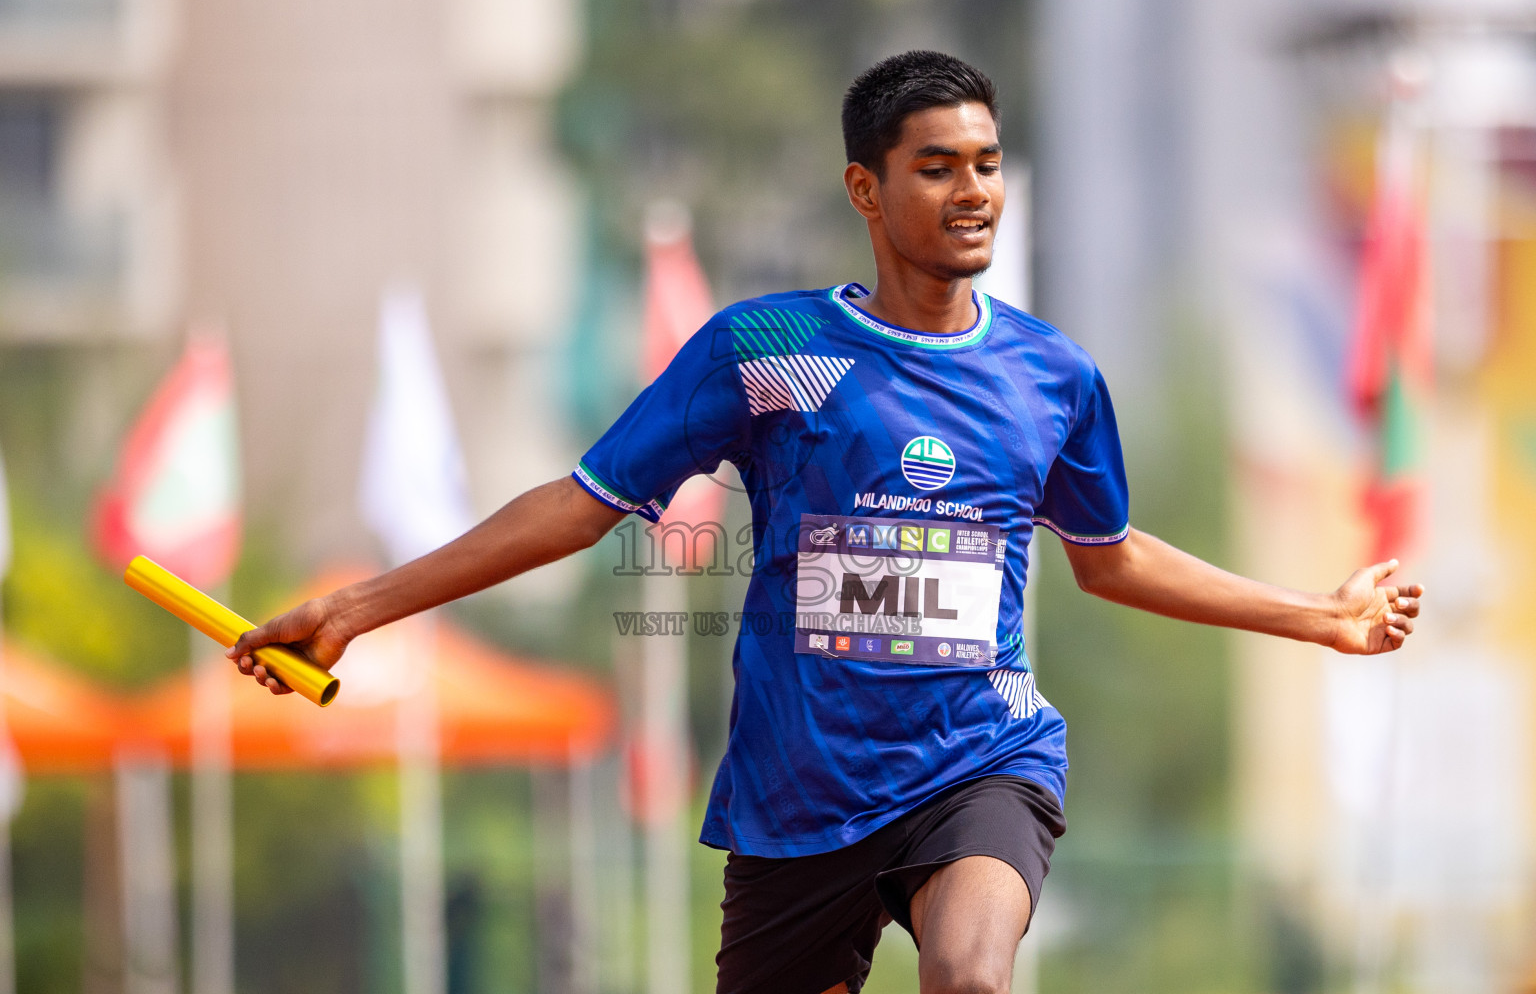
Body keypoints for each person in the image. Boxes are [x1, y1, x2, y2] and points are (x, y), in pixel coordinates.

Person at [232, 50, 1424, 994]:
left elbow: (1110, 561)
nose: (974, 193)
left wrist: (1317, 616)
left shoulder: (1052, 376)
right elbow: (577, 505)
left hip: (980, 759)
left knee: (968, 973)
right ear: (866, 186)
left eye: (989, 164)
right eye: (937, 167)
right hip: (799, 797)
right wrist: (354, 606)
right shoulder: (770, 351)